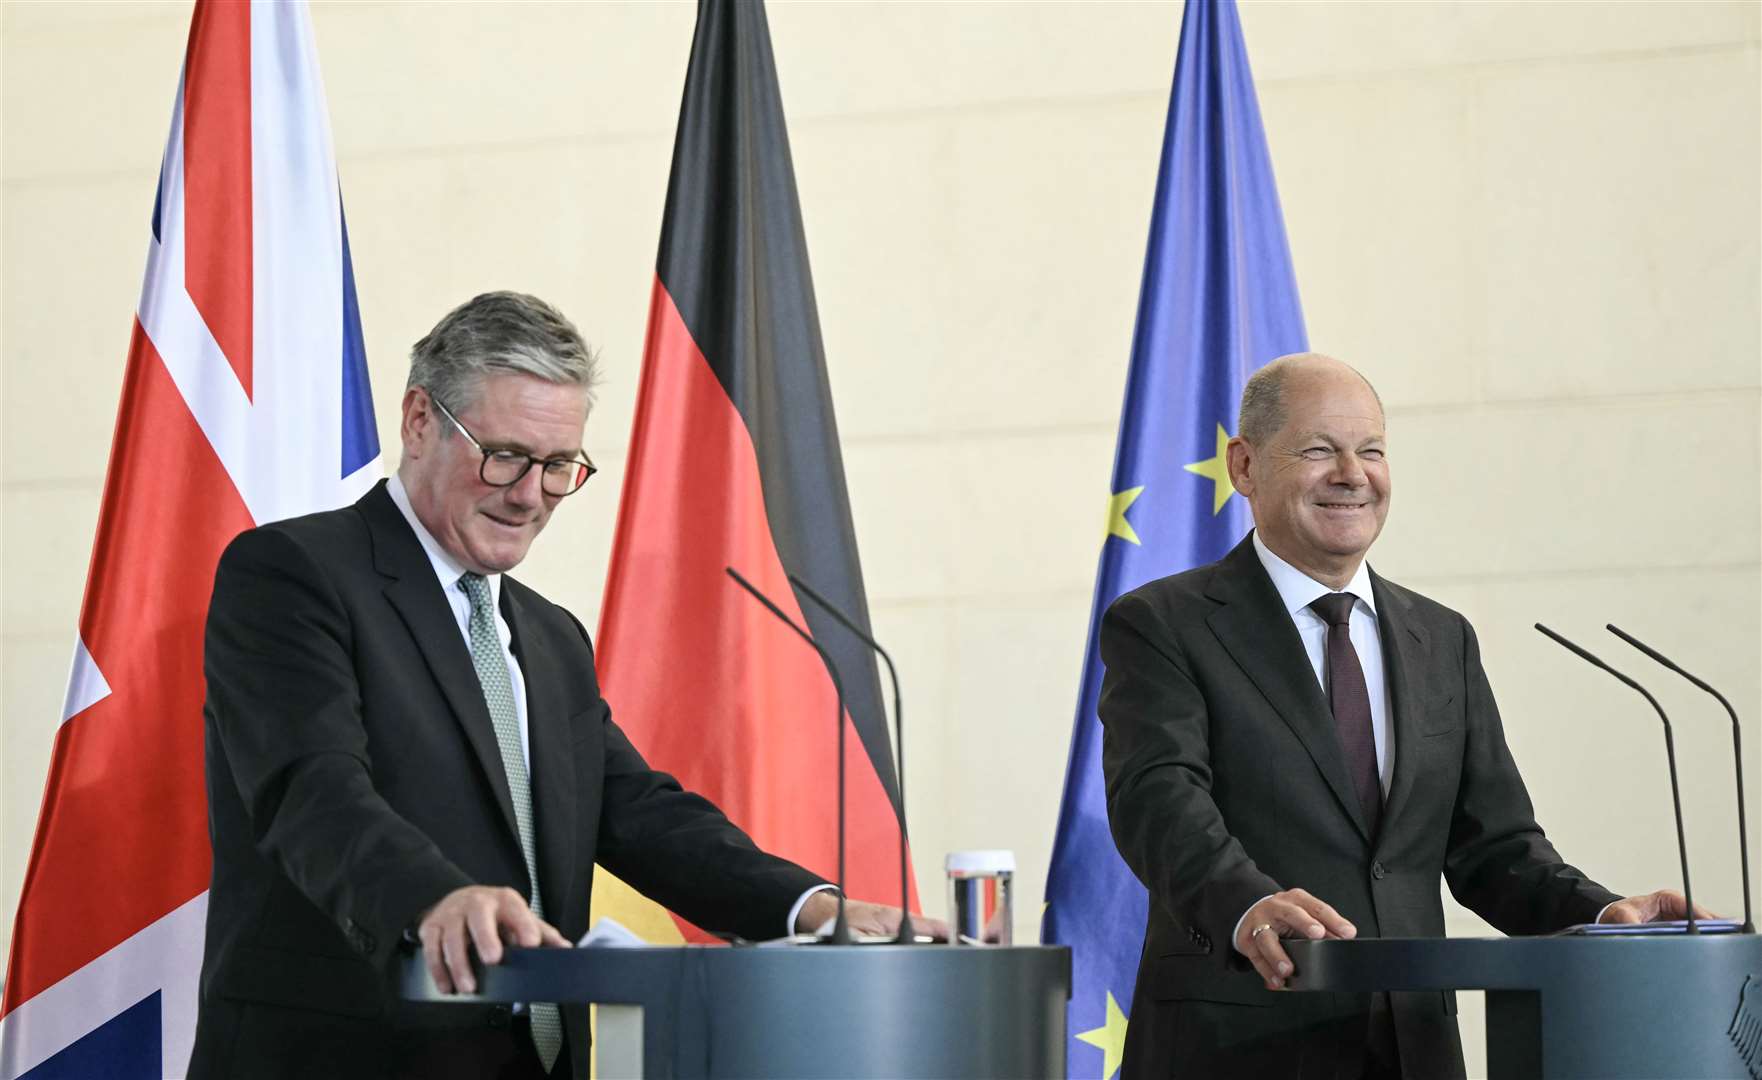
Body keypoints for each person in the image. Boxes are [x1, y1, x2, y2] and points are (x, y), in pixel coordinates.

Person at [190, 292, 917, 1080]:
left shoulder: (549, 635)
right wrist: (435, 898)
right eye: (503, 455)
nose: (530, 495)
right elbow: (313, 789)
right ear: (419, 420)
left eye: (559, 466)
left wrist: (809, 909)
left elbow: (636, 812)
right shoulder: (294, 576)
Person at [1100, 353, 1702, 1079]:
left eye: (1372, 450)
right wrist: (1247, 905)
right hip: (1238, 1039)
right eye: (1320, 449)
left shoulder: (1440, 638)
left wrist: (1606, 920)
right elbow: (1157, 800)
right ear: (1246, 466)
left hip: (1414, 1045)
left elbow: (1496, 850)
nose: (1353, 473)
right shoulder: (1166, 623)